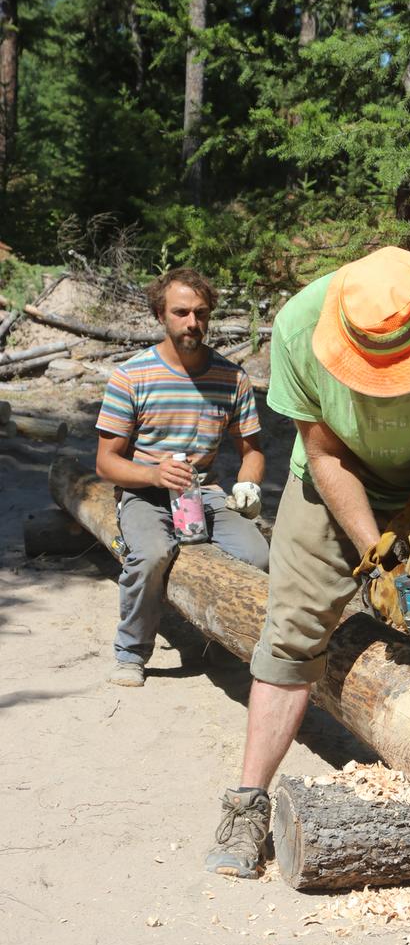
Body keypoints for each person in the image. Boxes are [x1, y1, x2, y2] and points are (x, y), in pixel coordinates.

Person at [205, 245, 410, 878]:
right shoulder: (299, 328)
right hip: (330, 479)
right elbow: (322, 448)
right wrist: (375, 549)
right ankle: (246, 805)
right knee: (293, 634)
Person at [95, 267, 270, 687]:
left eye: (201, 313)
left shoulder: (231, 377)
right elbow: (105, 463)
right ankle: (131, 652)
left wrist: (248, 484)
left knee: (259, 556)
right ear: (161, 314)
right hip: (144, 492)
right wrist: (154, 475)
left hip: (203, 492)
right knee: (152, 555)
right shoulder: (131, 376)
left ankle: (224, 644)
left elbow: (252, 450)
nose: (193, 323)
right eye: (181, 312)